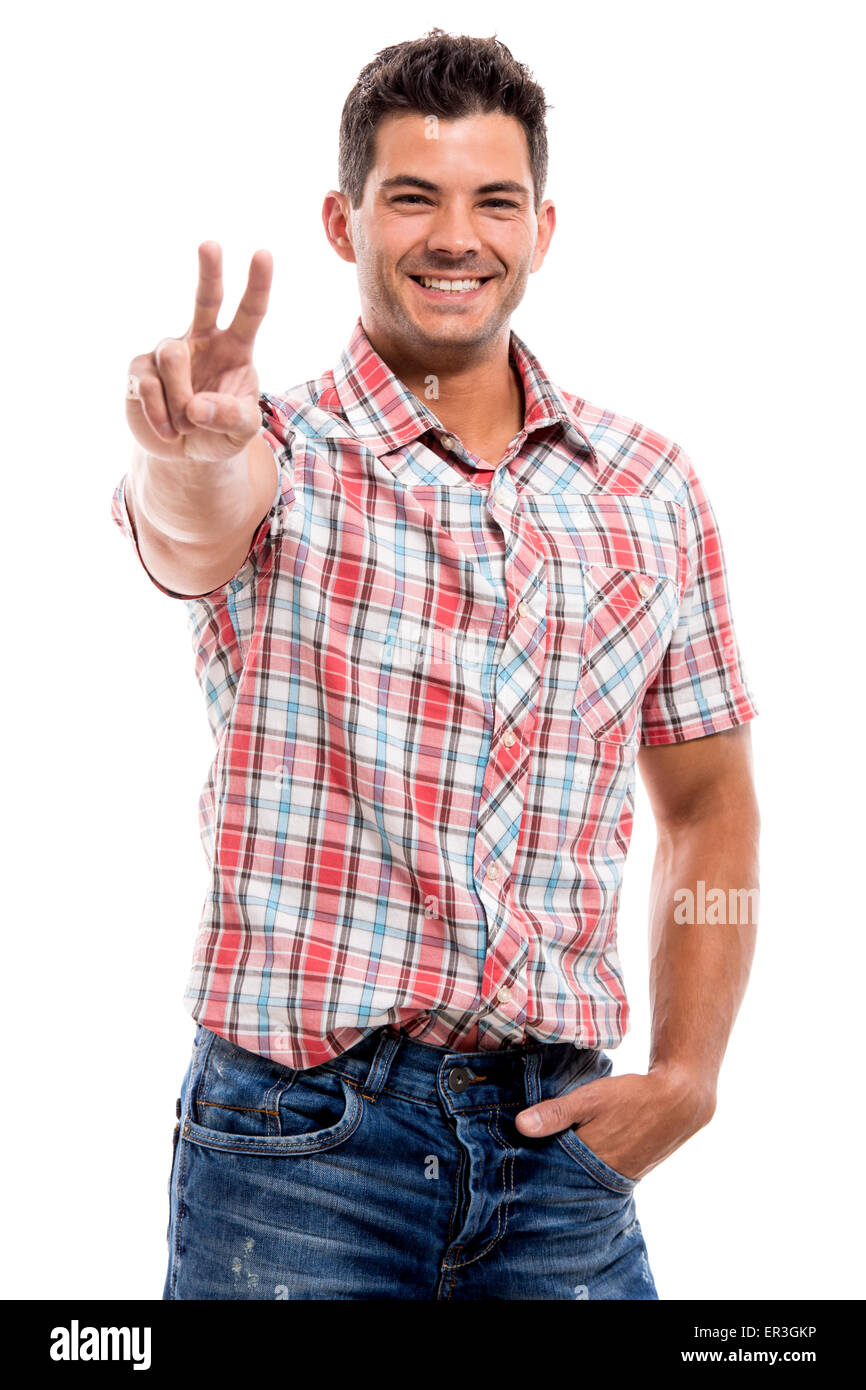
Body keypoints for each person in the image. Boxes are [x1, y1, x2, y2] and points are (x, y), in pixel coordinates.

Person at [113, 29, 760, 1301]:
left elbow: (709, 805)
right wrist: (187, 458)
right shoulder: (276, 449)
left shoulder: (648, 487)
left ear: (543, 226)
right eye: (412, 197)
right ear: (343, 220)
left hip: (561, 1149)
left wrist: (685, 1075)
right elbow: (193, 524)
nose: (453, 236)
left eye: (491, 200)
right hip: (300, 1148)